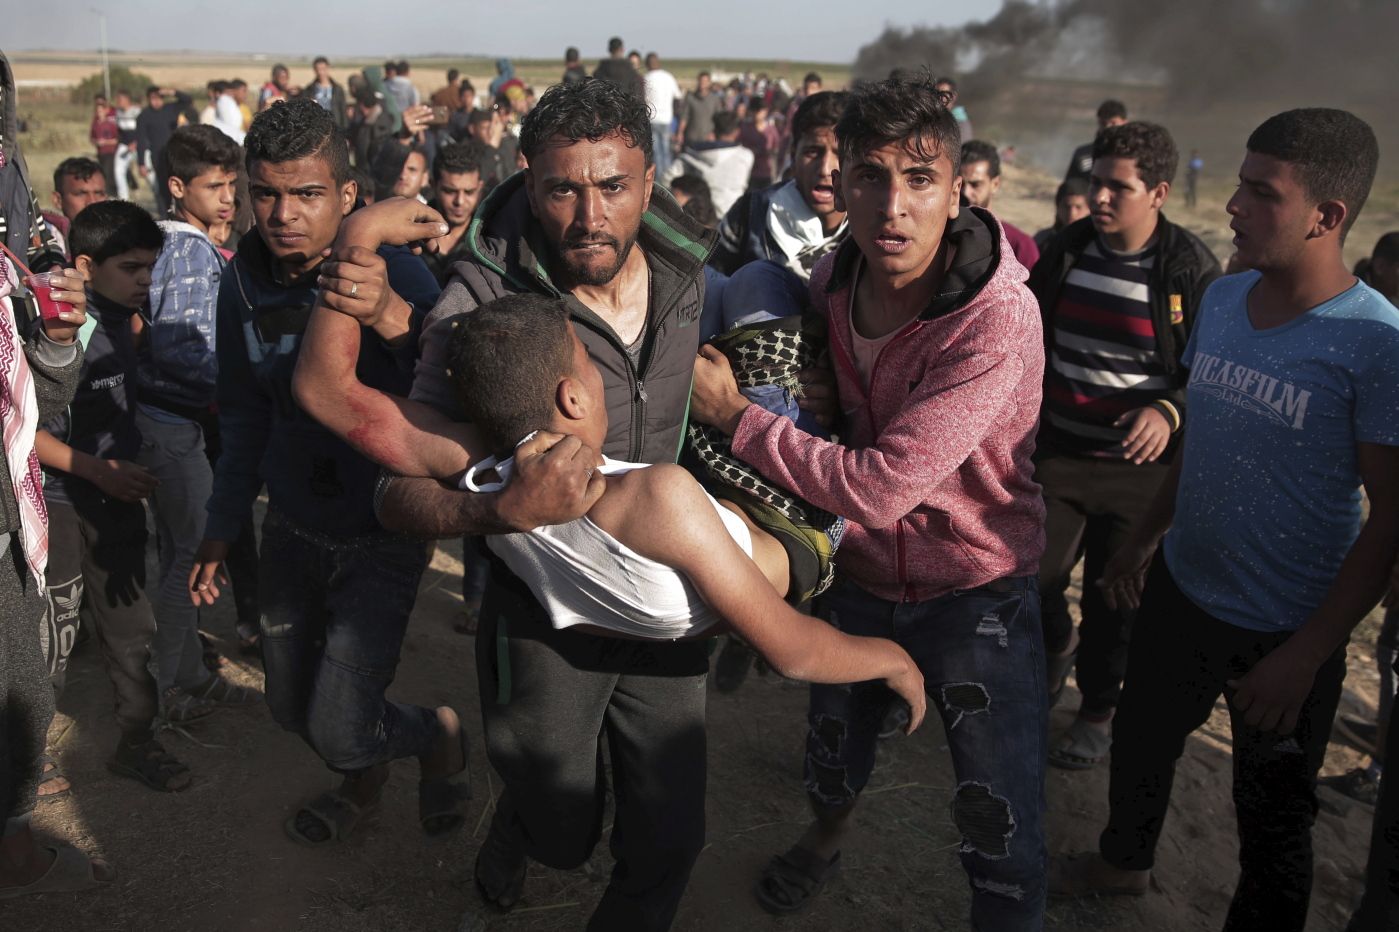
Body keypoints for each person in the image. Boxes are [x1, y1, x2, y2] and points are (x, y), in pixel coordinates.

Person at [290, 77, 731, 932]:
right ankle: (521, 830)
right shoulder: (476, 311)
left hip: (665, 598)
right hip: (542, 615)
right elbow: (394, 492)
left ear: (651, 180)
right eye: (564, 188)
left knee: (671, 837)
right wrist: (500, 513)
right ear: (527, 180)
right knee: (563, 830)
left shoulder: (699, 277)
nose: (590, 216)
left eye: (614, 187)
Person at [690, 73, 1048, 929]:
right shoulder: (833, 280)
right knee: (829, 754)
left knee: (996, 812)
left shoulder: (992, 321)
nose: (892, 205)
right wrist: (808, 393)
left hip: (973, 586)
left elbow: (881, 486)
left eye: (919, 179)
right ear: (839, 182)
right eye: (871, 177)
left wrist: (739, 420)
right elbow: (830, 406)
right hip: (855, 574)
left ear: (958, 185)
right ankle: (825, 837)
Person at [1049, 108, 1399, 932]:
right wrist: (1143, 542)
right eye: (1237, 184)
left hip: (1286, 628)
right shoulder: (1223, 297)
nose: (1233, 206)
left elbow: (1388, 525)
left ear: (1327, 217)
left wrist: (1309, 654)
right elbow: (1200, 434)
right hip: (1182, 588)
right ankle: (1121, 864)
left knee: (1272, 822)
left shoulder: (1374, 345)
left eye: (1260, 192)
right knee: (1140, 744)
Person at [186, 97, 461, 847]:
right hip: (292, 528)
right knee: (286, 705)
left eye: (307, 194)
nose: (282, 214)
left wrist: (391, 319)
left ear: (346, 198)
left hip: (383, 533)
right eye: (266, 193)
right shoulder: (241, 278)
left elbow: (459, 392)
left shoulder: (395, 269)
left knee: (340, 726)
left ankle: (433, 737)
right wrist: (220, 528)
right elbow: (242, 414)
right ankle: (364, 775)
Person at [450, 291, 925, 700]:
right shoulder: (654, 496)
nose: (603, 377)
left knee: (714, 296)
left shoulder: (490, 498)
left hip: (719, 504)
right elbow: (794, 651)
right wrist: (895, 660)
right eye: (592, 366)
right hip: (792, 522)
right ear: (572, 399)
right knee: (755, 283)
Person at [1027, 120, 1219, 770]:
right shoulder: (1066, 250)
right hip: (1057, 457)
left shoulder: (1187, 270)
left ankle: (1094, 714)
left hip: (1139, 474)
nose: (1100, 198)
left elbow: (1215, 372)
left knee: (1116, 598)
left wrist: (1169, 409)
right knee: (1032, 578)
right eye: (1095, 184)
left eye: (1118, 187)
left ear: (1158, 192)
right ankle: (1055, 648)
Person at [33, 200, 212, 786]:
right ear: (84, 264)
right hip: (58, 506)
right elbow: (27, 436)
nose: (145, 281)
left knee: (131, 632)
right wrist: (99, 470)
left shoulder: (120, 323)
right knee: (52, 636)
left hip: (113, 503)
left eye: (150, 268)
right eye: (130, 268)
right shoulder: (60, 333)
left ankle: (137, 740)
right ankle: (27, 755)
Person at [0, 47, 107, 892]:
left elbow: (40, 399)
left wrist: (60, 336)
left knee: (22, 687)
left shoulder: (13, 264)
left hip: (9, 528)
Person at [134, 125, 254, 711]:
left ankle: (181, 671)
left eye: (233, 184)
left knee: (180, 548)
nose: (229, 197)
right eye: (215, 186)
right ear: (179, 187)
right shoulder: (187, 250)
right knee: (188, 557)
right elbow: (183, 347)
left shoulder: (165, 240)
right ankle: (165, 685)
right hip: (176, 423)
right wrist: (243, 385)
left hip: (166, 420)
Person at [711, 90, 848, 281]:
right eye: (812, 152)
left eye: (840, 155)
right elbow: (712, 284)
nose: (825, 169)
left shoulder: (873, 228)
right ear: (793, 156)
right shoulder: (750, 214)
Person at [959, 139, 1039, 269]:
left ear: (995, 184)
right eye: (959, 183)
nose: (965, 192)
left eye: (975, 185)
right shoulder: (936, 237)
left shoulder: (1019, 246)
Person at [661, 110, 753, 216]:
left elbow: (667, 178)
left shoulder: (692, 155)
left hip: (700, 218)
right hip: (732, 219)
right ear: (737, 132)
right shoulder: (746, 157)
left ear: (714, 129)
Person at [420, 141, 482, 286]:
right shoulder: (410, 236)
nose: (459, 201)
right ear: (433, 185)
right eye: (450, 191)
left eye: (469, 192)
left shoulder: (490, 239)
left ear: (479, 188)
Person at [135, 86, 192, 217]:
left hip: (174, 153)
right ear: (148, 99)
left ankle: (180, 214)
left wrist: (172, 92)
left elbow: (187, 100)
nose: (156, 101)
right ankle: (164, 216)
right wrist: (141, 163)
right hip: (158, 156)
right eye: (153, 98)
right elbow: (141, 140)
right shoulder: (144, 116)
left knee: (179, 185)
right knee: (163, 187)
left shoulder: (170, 109)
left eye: (159, 98)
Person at [43, 158, 107, 257]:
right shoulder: (44, 239)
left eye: (99, 193)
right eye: (81, 194)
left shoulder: (122, 237)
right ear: (58, 200)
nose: (92, 201)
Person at [1066, 99, 1127, 183]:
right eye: (1103, 123)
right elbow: (1070, 187)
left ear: (1125, 123)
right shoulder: (1083, 155)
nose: (1108, 127)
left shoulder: (1132, 154)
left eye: (1113, 123)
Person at [643, 52, 680, 177]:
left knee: (656, 151)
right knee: (666, 151)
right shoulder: (668, 77)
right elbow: (677, 97)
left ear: (647, 64)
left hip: (652, 119)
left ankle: (659, 179)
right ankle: (668, 177)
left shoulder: (646, 78)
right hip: (666, 119)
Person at [1033, 178, 1090, 252]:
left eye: (1078, 207)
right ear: (1058, 207)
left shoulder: (1093, 247)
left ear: (1089, 210)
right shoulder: (1042, 239)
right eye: (1066, 206)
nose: (1072, 213)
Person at [738, 96, 781, 190]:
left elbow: (776, 148)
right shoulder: (745, 129)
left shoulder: (771, 130)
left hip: (766, 173)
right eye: (755, 111)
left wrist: (769, 152)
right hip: (749, 173)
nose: (758, 114)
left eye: (761, 111)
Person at [676, 70, 722, 152]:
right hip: (692, 138)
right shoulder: (690, 98)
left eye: (705, 81)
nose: (702, 83)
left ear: (709, 83)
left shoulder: (715, 99)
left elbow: (719, 119)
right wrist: (680, 132)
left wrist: (714, 134)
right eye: (700, 81)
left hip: (708, 138)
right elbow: (684, 117)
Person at [593, 36, 644, 100]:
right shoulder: (631, 72)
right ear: (622, 49)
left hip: (605, 108)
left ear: (609, 49)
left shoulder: (599, 72)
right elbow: (639, 99)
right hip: (626, 108)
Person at [112, 89, 141, 200]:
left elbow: (142, 129)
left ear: (127, 100)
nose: (118, 102)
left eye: (120, 99)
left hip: (138, 144)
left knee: (147, 169)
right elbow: (120, 130)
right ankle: (123, 198)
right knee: (118, 170)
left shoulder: (136, 111)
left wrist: (136, 142)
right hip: (124, 145)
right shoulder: (118, 113)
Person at [308, 57, 347, 131]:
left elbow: (343, 110)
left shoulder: (337, 89)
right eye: (317, 69)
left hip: (335, 126)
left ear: (328, 68)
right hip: (316, 127)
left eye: (323, 69)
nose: (320, 72)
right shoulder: (310, 89)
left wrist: (345, 131)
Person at [89, 95, 118, 194]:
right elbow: (91, 137)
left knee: (108, 172)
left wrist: (106, 142)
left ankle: (110, 193)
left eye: (101, 111)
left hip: (111, 152)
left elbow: (117, 139)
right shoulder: (95, 124)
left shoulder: (110, 124)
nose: (99, 113)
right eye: (97, 111)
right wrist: (96, 142)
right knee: (103, 172)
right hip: (101, 152)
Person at [934, 75, 973, 141]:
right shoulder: (935, 117)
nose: (939, 97)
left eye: (943, 94)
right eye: (936, 93)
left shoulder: (960, 121)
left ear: (953, 96)